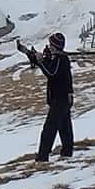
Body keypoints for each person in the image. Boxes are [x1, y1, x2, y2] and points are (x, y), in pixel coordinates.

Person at [17, 32, 74, 162]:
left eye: (51, 44)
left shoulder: (61, 59)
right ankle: (67, 153)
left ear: (55, 46)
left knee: (50, 128)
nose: (49, 46)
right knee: (64, 127)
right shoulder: (58, 58)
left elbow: (51, 73)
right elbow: (44, 64)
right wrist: (27, 53)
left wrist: (41, 60)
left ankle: (42, 158)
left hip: (60, 99)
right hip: (61, 99)